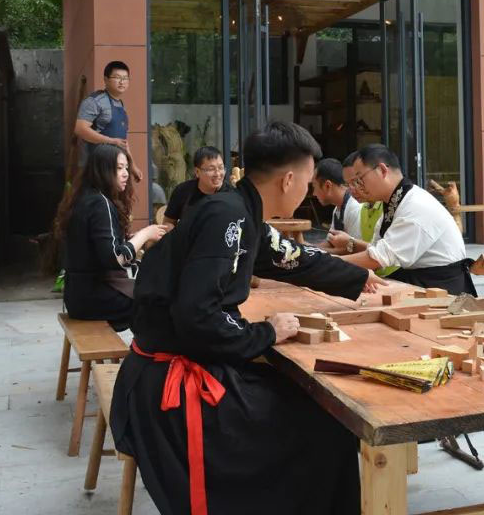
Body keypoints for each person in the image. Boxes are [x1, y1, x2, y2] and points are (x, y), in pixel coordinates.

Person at [109, 122, 384, 515]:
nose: (308, 192)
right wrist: (266, 332)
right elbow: (197, 316)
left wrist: (357, 279)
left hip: (182, 362)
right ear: (288, 180)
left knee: (312, 406)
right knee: (327, 424)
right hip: (173, 389)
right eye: (307, 182)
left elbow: (294, 259)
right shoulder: (228, 217)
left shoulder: (240, 212)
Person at [52, 143, 167, 331]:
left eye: (126, 168)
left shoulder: (85, 198)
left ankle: (143, 348)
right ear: (103, 171)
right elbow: (114, 258)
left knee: (152, 293)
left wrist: (133, 239)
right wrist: (145, 234)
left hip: (78, 297)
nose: (126, 174)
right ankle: (146, 350)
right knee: (160, 301)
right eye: (119, 168)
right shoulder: (100, 203)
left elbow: (97, 250)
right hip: (96, 298)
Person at [337, 144, 473, 295]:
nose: (354, 189)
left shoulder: (415, 205)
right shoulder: (395, 202)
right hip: (421, 279)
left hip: (443, 288)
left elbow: (378, 258)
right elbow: (375, 250)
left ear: (382, 170)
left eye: (358, 180)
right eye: (350, 184)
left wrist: (327, 263)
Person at [74, 60, 142, 182]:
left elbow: (122, 142)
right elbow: (80, 129)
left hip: (116, 167)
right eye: (117, 77)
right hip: (96, 166)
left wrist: (132, 166)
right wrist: (111, 141)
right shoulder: (94, 101)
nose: (122, 81)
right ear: (106, 80)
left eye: (125, 78)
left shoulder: (121, 105)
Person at [163, 146, 229, 226]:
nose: (218, 174)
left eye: (221, 168)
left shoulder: (231, 195)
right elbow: (168, 222)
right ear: (197, 172)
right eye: (211, 169)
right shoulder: (182, 191)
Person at [311, 157, 361, 239]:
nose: (314, 193)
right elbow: (330, 242)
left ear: (327, 186)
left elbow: (353, 246)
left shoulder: (354, 208)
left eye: (314, 186)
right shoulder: (337, 209)